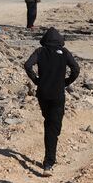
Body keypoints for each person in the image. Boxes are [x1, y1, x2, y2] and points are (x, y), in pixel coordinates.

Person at [24, 27, 80, 175]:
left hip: (42, 94)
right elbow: (76, 69)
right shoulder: (65, 53)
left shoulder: (40, 52)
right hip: (57, 95)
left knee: (49, 123)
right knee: (53, 127)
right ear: (60, 41)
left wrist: (37, 81)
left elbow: (27, 65)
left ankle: (49, 158)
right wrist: (66, 82)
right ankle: (48, 163)